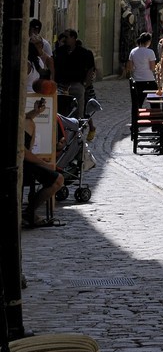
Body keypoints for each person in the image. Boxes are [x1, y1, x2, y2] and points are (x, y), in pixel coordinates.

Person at [23, 95, 64, 226]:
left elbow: (24, 118)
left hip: (25, 162)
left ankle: (29, 212)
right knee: (57, 179)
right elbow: (22, 152)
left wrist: (35, 111)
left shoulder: (26, 121)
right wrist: (44, 164)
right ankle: (29, 212)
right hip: (21, 164)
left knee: (57, 179)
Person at [52, 29, 96, 117]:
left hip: (76, 85)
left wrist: (86, 84)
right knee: (61, 111)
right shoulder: (59, 52)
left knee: (78, 111)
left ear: (73, 38)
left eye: (66, 37)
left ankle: (78, 127)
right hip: (62, 86)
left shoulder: (83, 52)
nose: (65, 39)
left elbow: (90, 68)